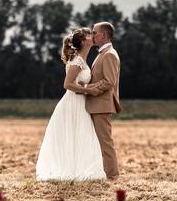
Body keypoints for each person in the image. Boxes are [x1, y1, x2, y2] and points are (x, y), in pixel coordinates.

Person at [35, 28, 107, 181]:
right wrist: (88, 90)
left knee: (81, 135)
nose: (93, 36)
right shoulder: (77, 62)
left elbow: (79, 84)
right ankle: (70, 170)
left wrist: (91, 88)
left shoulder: (83, 60)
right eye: (89, 35)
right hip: (72, 103)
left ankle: (79, 169)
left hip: (80, 102)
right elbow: (67, 85)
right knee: (75, 134)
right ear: (82, 42)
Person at [83, 21, 121, 180]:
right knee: (98, 143)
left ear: (104, 35)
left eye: (94, 32)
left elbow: (109, 81)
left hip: (101, 105)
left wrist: (88, 89)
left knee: (105, 143)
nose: (92, 35)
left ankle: (112, 176)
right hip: (96, 105)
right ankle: (102, 173)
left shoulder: (110, 55)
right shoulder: (102, 54)